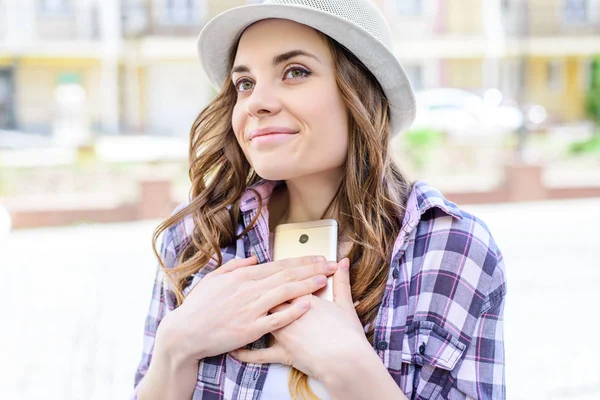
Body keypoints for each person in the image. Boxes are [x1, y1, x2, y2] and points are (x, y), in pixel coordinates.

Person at [131, 1, 506, 399]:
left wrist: (350, 367)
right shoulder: (198, 235)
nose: (257, 101)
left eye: (295, 72)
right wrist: (175, 347)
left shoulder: (447, 250)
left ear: (359, 92)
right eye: (245, 83)